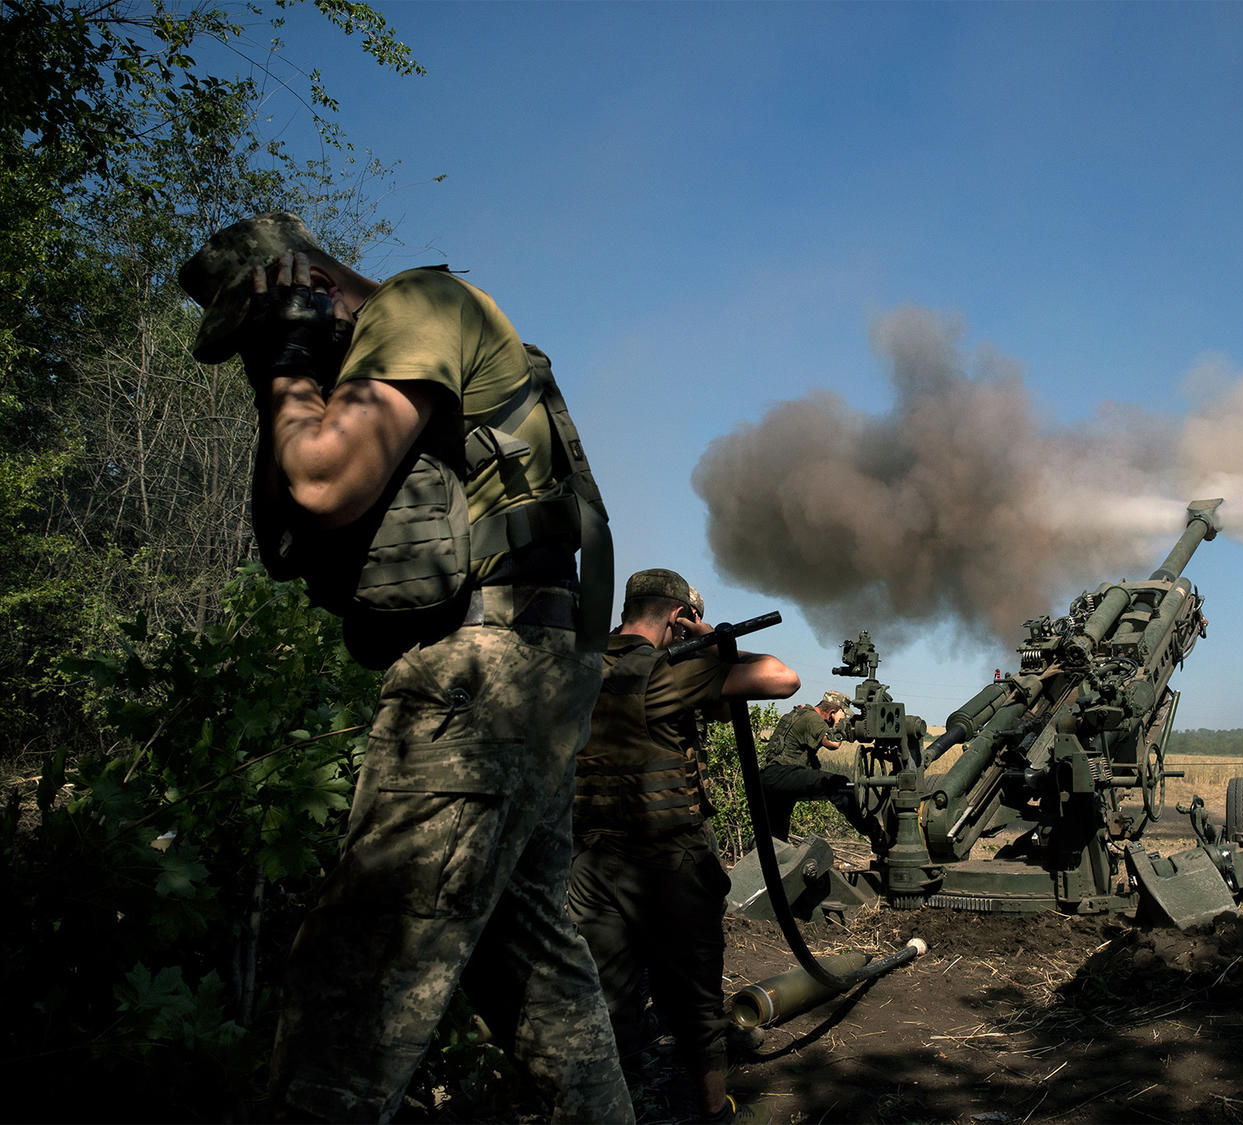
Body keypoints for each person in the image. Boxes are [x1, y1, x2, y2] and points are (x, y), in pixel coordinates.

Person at [179, 213, 632, 1122]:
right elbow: (288, 537)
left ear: (297, 282)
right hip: (532, 675)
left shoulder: (418, 306)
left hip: (479, 682)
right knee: (538, 979)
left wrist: (290, 366)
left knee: (352, 991)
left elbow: (320, 479)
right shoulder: (428, 333)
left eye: (256, 325)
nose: (257, 359)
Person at [567, 569, 798, 1122]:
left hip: (590, 864)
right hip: (669, 864)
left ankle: (616, 1106)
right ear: (677, 617)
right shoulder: (663, 670)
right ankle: (715, 1111)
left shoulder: (579, 663)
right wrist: (715, 640)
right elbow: (782, 678)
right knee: (696, 998)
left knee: (607, 996)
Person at [759, 691, 884, 849]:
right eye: (841, 715)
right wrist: (839, 723)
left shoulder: (800, 713)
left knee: (775, 839)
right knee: (840, 787)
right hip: (782, 774)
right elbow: (833, 743)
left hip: (769, 779)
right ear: (832, 712)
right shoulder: (813, 718)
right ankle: (876, 835)